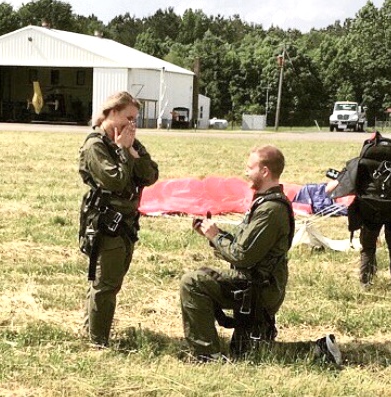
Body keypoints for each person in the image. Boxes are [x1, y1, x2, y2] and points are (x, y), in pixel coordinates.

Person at [180, 145, 295, 362]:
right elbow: (245, 246)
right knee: (247, 352)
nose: (245, 172)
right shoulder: (265, 203)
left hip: (258, 286)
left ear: (265, 171)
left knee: (193, 282)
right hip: (257, 283)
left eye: (250, 167)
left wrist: (216, 237)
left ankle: (207, 355)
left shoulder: (271, 209)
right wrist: (213, 234)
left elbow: (242, 255)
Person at [78, 91, 159, 347]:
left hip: (127, 222)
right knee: (105, 283)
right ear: (112, 113)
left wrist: (132, 153)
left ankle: (91, 328)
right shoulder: (96, 145)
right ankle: (97, 339)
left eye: (135, 118)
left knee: (113, 281)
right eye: (128, 117)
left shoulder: (130, 142)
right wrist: (125, 152)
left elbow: (151, 175)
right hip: (107, 221)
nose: (133, 124)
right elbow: (114, 180)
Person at [327, 132, 391, 288]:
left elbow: (329, 190)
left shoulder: (361, 164)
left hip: (369, 212)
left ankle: (366, 282)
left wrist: (351, 179)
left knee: (368, 246)